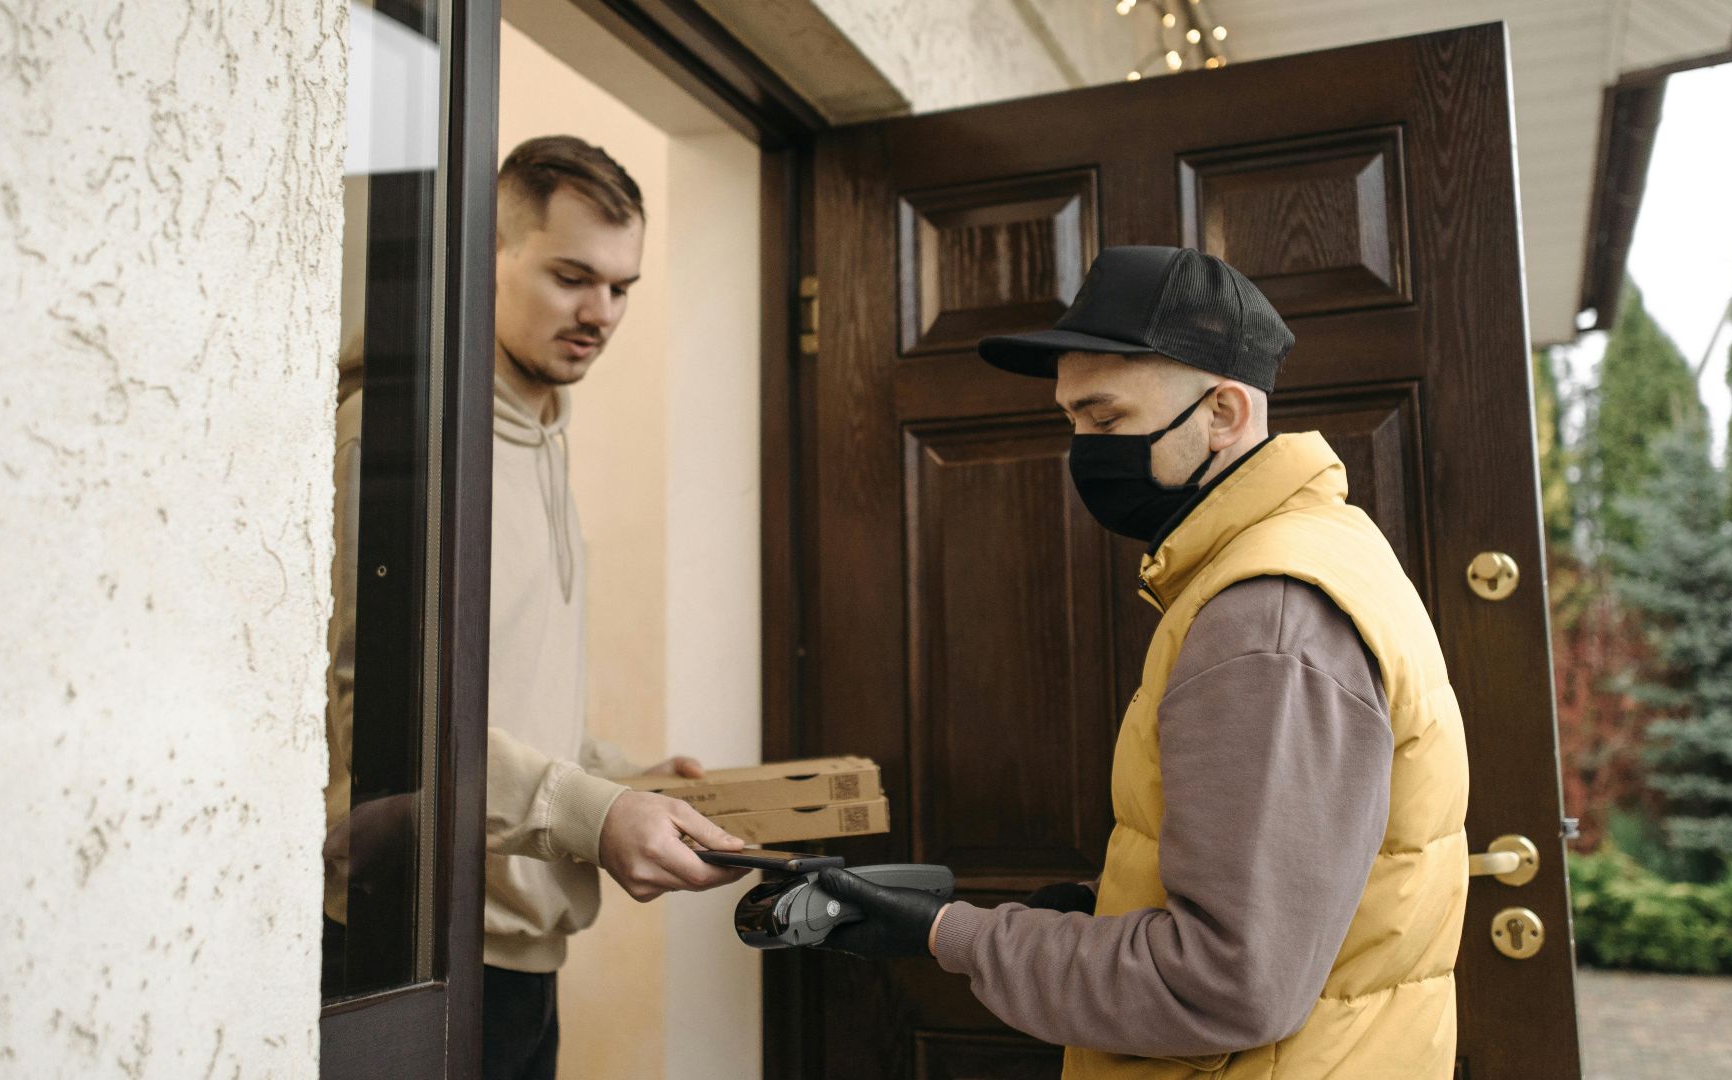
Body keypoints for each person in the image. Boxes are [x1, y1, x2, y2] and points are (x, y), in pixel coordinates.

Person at [817, 246, 1470, 1079]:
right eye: (1072, 424)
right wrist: (1092, 912)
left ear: (1225, 414)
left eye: (1104, 420)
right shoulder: (1319, 552)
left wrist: (946, 934)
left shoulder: (1266, 614)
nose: (1082, 452)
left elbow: (1225, 985)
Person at [323, 135, 745, 1080]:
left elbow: (502, 688)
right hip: (407, 952)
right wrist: (595, 813)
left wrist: (622, 778)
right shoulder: (401, 438)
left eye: (622, 286)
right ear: (489, 255)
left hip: (519, 961)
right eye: (571, 276)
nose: (602, 313)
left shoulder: (545, 434)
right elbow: (388, 729)